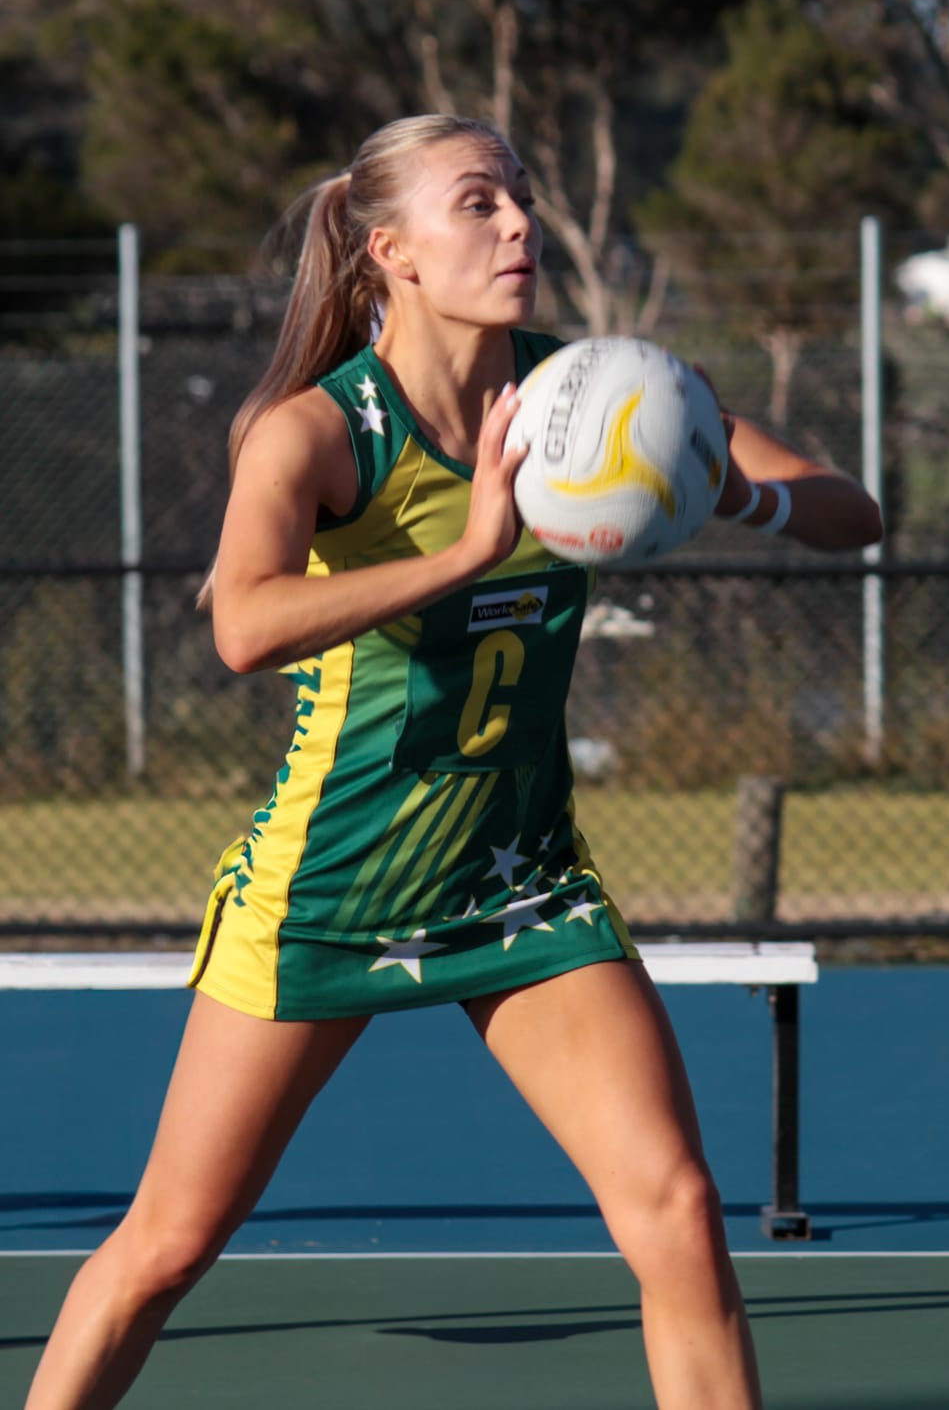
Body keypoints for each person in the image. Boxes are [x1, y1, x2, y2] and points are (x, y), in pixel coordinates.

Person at [25, 113, 882, 1410]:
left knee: (678, 1205)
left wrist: (733, 490)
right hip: (327, 886)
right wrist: (466, 551)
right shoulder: (318, 434)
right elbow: (244, 625)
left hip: (518, 878)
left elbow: (851, 512)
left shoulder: (596, 397)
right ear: (394, 254)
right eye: (478, 204)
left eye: (522, 198)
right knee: (167, 1245)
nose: (520, 224)